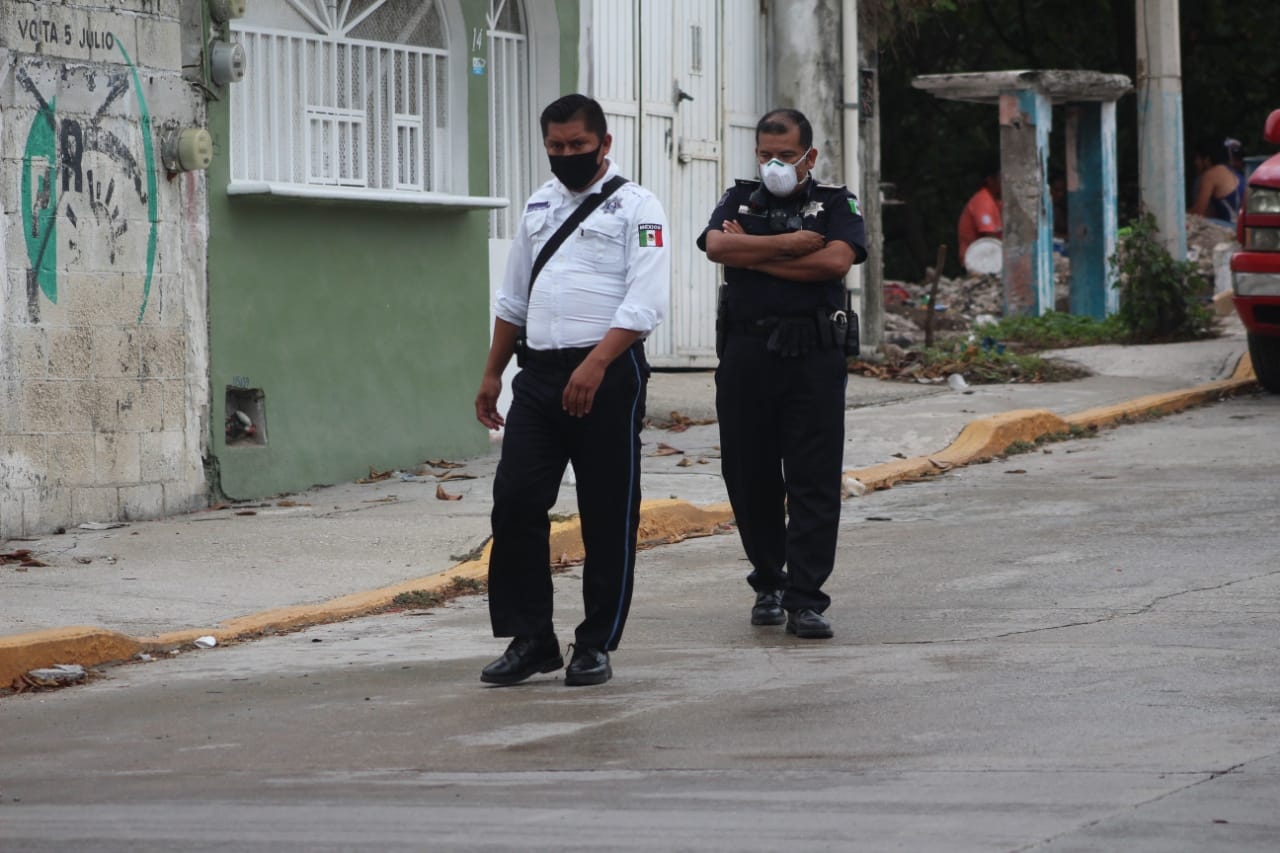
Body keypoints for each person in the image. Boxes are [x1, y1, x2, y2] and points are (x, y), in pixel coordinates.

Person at [474, 94, 670, 687]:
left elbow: (647, 301)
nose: (566, 157)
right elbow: (513, 299)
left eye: (577, 147)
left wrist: (598, 363)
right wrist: (492, 373)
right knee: (516, 501)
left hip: (609, 376)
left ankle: (595, 643)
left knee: (607, 511)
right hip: (538, 378)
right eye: (556, 147)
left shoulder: (640, 207)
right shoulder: (538, 205)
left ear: (604, 144)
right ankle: (531, 638)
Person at [698, 108, 866, 639]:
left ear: (809, 157)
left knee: (813, 477)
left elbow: (835, 262)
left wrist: (754, 254)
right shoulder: (738, 198)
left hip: (813, 353)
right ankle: (769, 581)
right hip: (747, 353)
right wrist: (789, 246)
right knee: (749, 475)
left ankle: (806, 598)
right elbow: (716, 246)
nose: (775, 165)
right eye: (767, 154)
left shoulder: (836, 202)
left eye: (787, 156)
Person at [1188, 136, 1241, 226]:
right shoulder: (1231, 171)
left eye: (1197, 158)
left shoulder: (1210, 175)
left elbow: (1197, 214)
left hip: (1230, 227)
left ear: (1207, 159)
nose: (1195, 162)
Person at [957, 162, 1002, 263]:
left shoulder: (996, 202)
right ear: (990, 180)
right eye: (1001, 178)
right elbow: (990, 238)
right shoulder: (983, 201)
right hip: (977, 261)